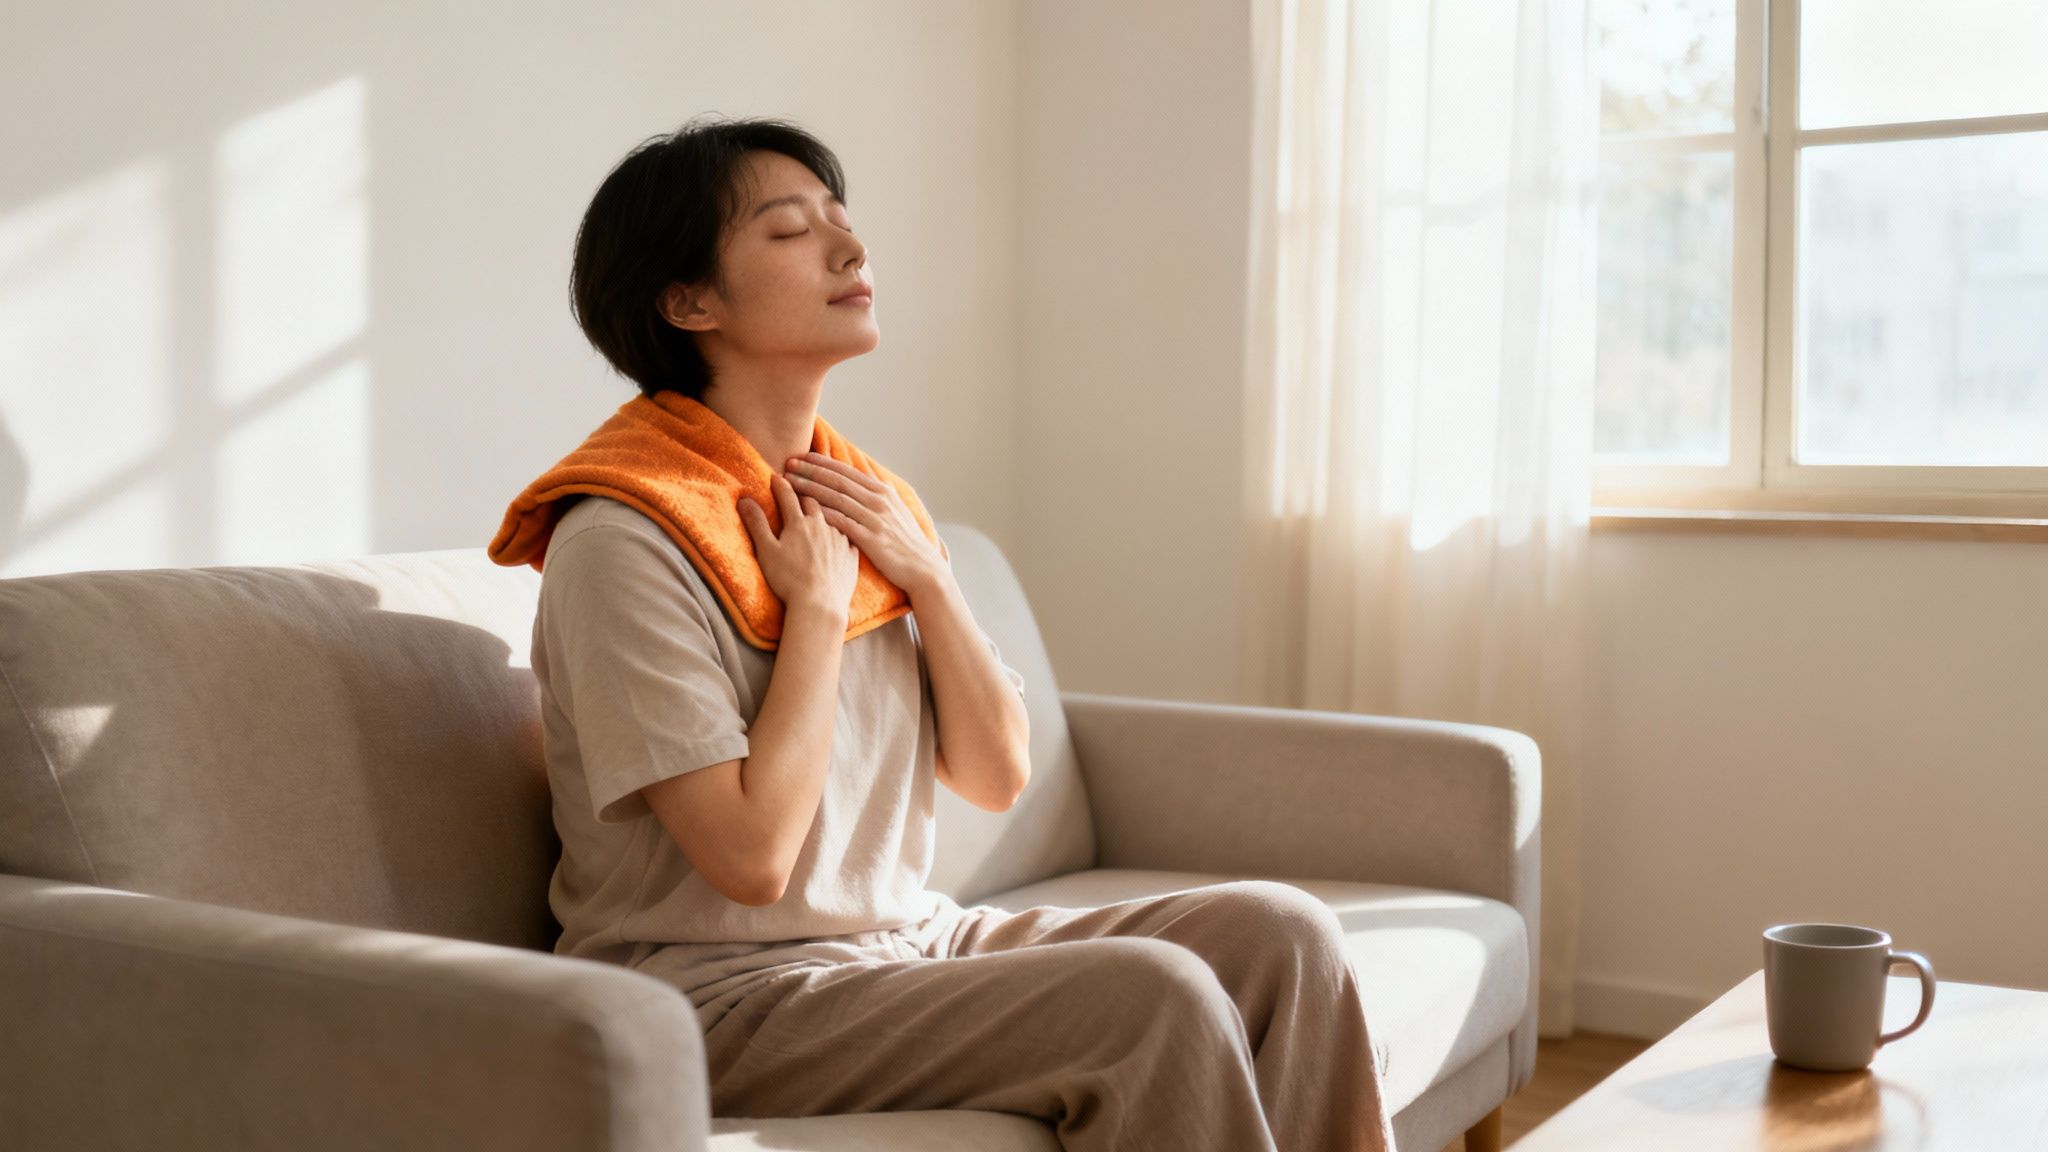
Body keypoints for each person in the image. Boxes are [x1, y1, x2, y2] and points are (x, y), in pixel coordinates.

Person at [529, 112, 1398, 1152]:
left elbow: (993, 774)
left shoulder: (865, 502)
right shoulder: (624, 539)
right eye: (789, 230)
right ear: (688, 300)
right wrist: (810, 613)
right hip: (721, 997)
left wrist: (928, 581)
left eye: (841, 222)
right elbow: (753, 859)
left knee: (1282, 934)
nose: (850, 249)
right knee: (1148, 996)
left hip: (906, 942)